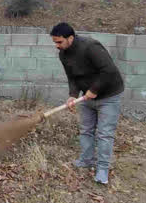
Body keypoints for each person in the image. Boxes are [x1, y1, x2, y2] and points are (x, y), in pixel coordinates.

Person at [50, 22, 124, 185]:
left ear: (70, 38)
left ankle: (103, 169)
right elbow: (72, 77)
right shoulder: (63, 54)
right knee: (86, 130)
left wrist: (95, 90)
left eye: (59, 42)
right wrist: (73, 95)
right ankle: (86, 160)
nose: (57, 46)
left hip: (109, 96)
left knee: (104, 133)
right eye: (55, 42)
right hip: (87, 97)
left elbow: (109, 70)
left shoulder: (90, 47)